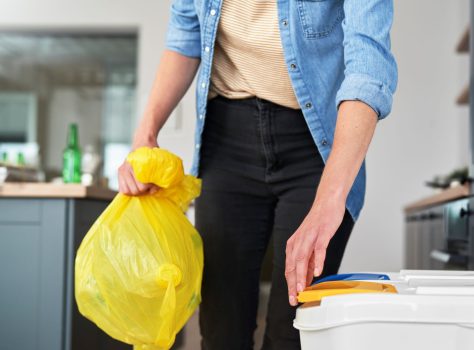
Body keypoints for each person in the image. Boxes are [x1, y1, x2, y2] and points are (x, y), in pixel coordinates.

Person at [117, 0, 397, 349]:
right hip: (226, 143)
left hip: (315, 146)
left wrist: (330, 197)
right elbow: (186, 32)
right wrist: (145, 135)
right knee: (222, 330)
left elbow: (368, 67)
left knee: (294, 329)